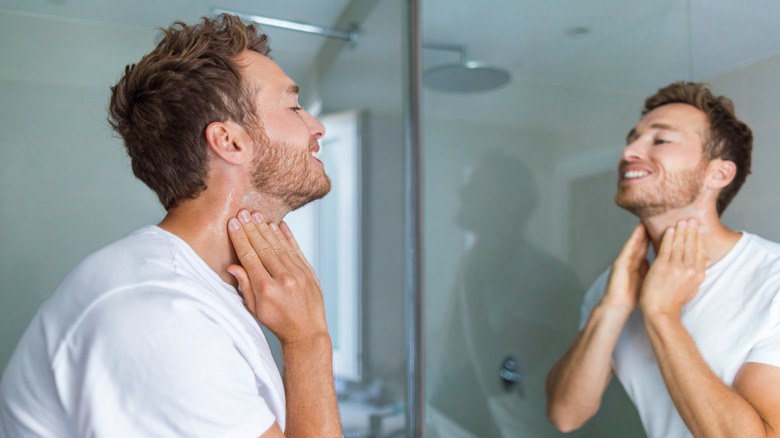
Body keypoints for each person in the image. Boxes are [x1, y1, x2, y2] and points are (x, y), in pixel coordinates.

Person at [0, 14, 341, 438]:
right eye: (294, 107)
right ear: (229, 141)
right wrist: (308, 341)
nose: (317, 126)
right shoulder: (156, 312)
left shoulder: (199, 293)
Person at [545, 81, 780, 438]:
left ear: (718, 173)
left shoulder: (772, 281)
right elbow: (565, 415)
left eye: (660, 140)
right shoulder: (616, 286)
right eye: (632, 138)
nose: (629, 152)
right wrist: (611, 307)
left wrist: (661, 315)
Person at [428, 151, 585, 438]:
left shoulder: (547, 277)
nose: (463, 192)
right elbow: (452, 353)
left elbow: (499, 381)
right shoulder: (476, 263)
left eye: (477, 183)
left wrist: (470, 281)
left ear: (511, 203)